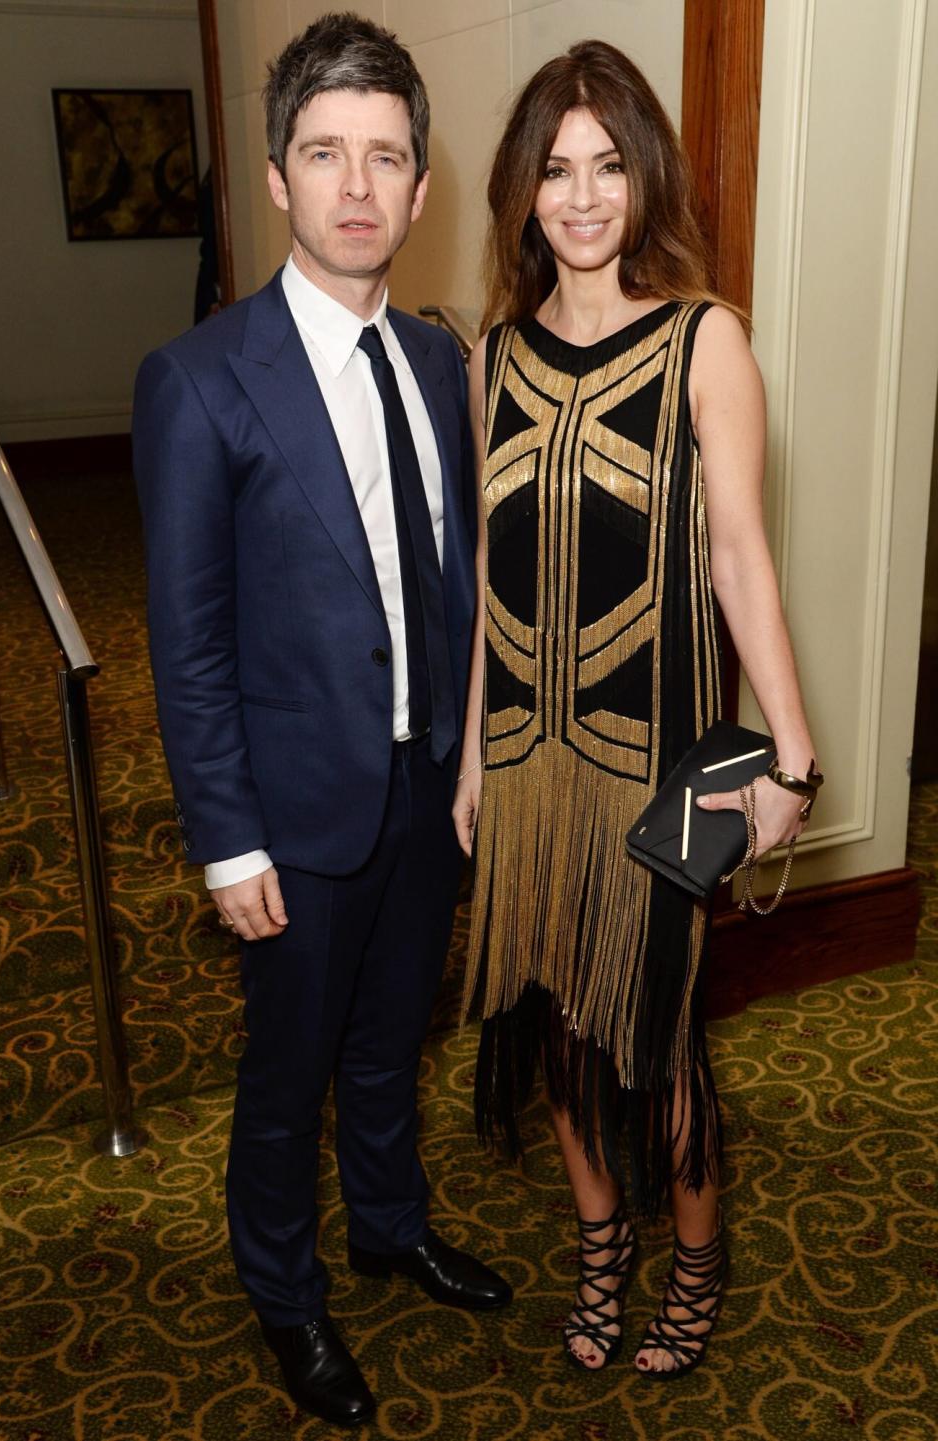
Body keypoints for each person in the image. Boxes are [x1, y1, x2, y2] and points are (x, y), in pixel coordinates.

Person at [133, 12, 510, 1430]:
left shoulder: (438, 362)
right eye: (326, 154)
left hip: (425, 787)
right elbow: (190, 642)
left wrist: (469, 753)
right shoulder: (198, 379)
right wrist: (229, 844)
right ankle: (285, 1293)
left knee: (394, 1033)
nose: (359, 186)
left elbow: (455, 580)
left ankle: (391, 1223)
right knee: (288, 1072)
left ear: (420, 189)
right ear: (279, 177)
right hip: (293, 809)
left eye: (387, 158)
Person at [454, 40, 819, 1380]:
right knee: (556, 1023)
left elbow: (739, 558)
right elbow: (484, 579)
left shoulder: (703, 339)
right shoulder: (492, 358)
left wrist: (791, 752)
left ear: (645, 174)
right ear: (525, 190)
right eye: (557, 168)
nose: (584, 194)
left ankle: (697, 1260)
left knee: (658, 1037)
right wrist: (474, 759)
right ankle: (600, 1246)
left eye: (608, 165)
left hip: (661, 769)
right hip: (527, 767)